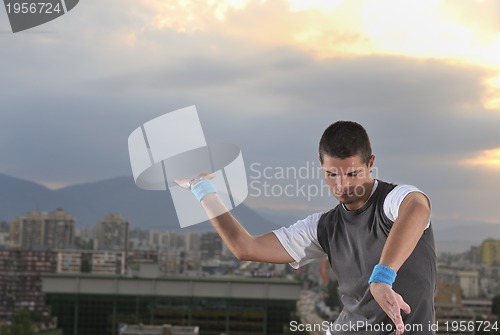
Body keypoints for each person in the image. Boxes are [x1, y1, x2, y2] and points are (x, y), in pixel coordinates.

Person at [176, 121, 436, 335]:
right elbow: (246, 248)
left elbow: (417, 208)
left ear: (370, 164)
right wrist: (201, 187)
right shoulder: (323, 227)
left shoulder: (393, 200)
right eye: (332, 175)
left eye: (352, 174)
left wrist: (383, 277)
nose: (342, 186)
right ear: (321, 166)